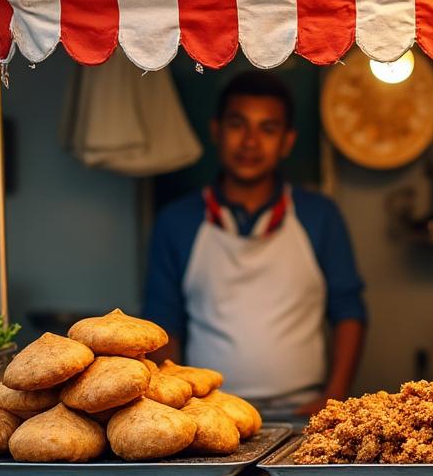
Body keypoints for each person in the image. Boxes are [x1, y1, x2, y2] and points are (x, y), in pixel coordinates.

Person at [144, 71, 366, 419]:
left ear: (287, 142)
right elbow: (161, 326)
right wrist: (177, 404)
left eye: (268, 129)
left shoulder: (319, 216)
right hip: (209, 412)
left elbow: (349, 312)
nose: (250, 142)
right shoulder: (177, 222)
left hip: (303, 414)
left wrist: (334, 397)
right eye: (238, 125)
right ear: (216, 130)